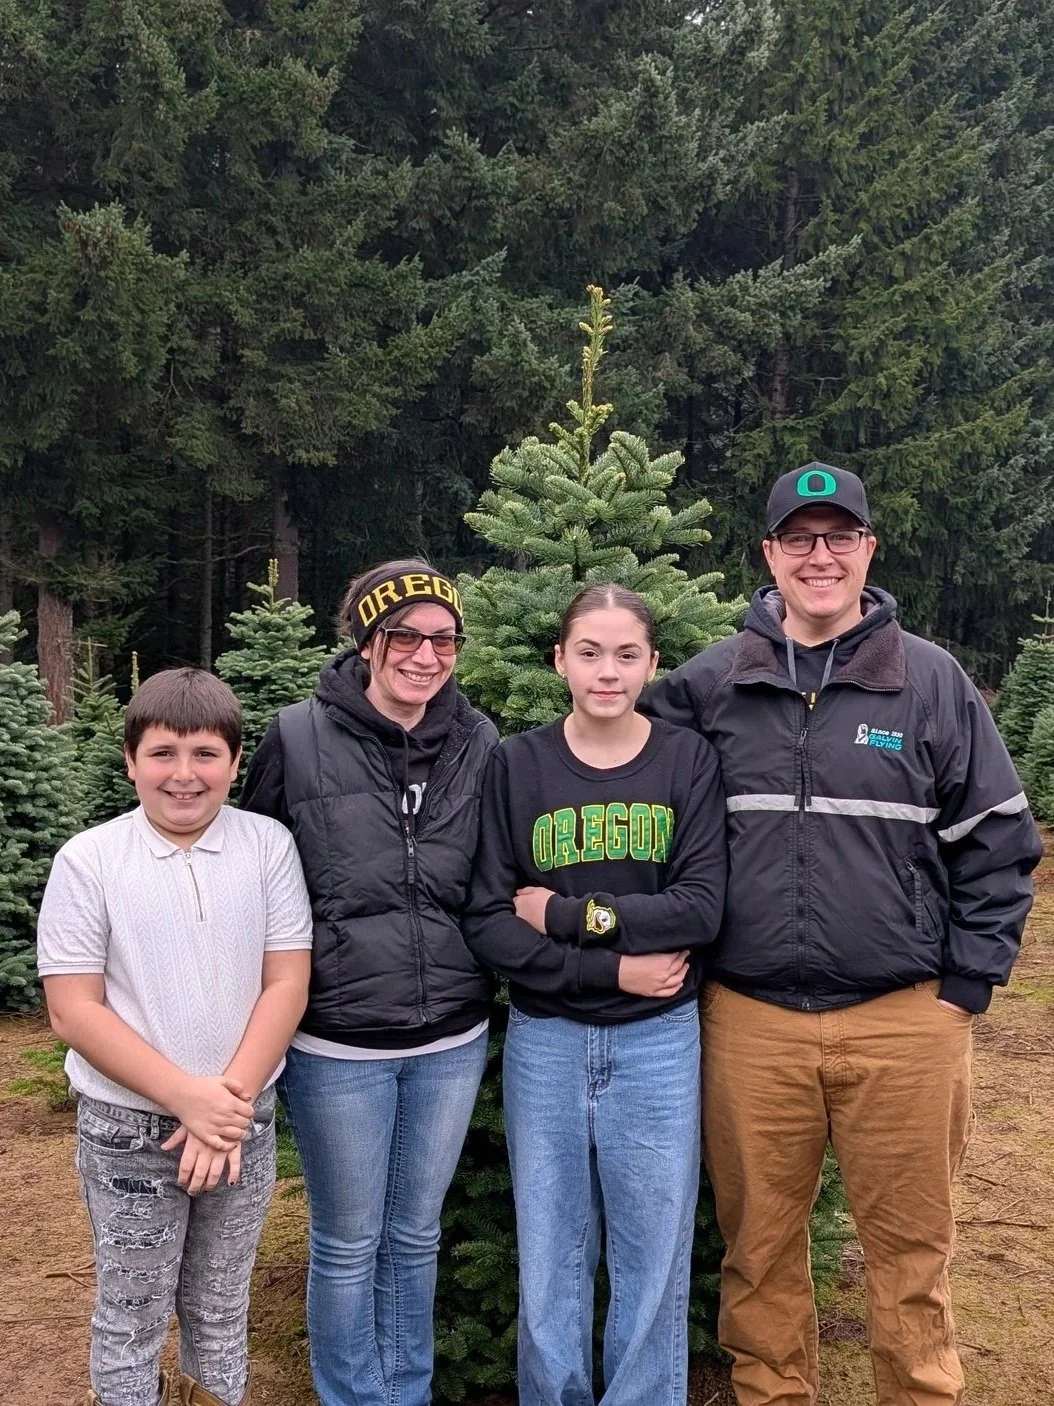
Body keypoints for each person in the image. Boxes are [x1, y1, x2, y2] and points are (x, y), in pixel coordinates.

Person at [641, 462, 1043, 1406]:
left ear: (868, 549)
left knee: (911, 1252)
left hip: (906, 1020)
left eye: (839, 537)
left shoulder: (932, 682)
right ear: (769, 554)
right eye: (798, 539)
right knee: (760, 1249)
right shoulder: (709, 684)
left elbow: (1000, 840)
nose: (819, 557)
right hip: (749, 1021)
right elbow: (635, 802)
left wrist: (967, 984)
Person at [240, 559, 498, 1406]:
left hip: (451, 1041)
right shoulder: (296, 736)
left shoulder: (479, 741)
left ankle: (407, 1393)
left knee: (416, 1236)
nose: (426, 657)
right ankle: (353, 1396)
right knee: (348, 1242)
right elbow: (258, 881)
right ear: (368, 640)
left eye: (443, 640)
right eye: (406, 637)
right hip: (336, 1045)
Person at [463, 583, 727, 1406]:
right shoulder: (517, 764)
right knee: (552, 1252)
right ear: (559, 661)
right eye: (588, 652)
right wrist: (612, 965)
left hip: (657, 1044)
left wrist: (573, 915)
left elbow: (701, 906)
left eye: (625, 654)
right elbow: (490, 918)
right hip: (546, 1041)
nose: (606, 671)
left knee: (653, 1253)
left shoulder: (686, 761)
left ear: (652, 663)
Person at [36, 668, 313, 1406]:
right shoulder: (89, 861)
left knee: (221, 1314)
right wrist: (186, 1098)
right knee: (131, 1316)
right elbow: (73, 1009)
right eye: (163, 754)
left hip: (239, 1122)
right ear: (130, 760)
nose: (184, 775)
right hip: (128, 1131)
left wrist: (225, 1105)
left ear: (233, 760)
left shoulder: (269, 847)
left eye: (205, 755)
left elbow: (285, 982)